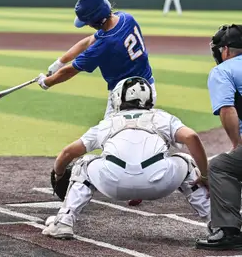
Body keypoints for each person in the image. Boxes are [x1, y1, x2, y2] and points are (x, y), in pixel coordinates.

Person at [42, 76, 210, 239]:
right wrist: (204, 175)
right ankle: (217, 223)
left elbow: (67, 153)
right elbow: (192, 137)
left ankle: (63, 222)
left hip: (113, 185)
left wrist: (59, 173)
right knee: (186, 162)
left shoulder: (107, 123)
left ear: (118, 98)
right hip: (160, 183)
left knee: (83, 164)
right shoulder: (163, 118)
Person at [37, 0, 157, 120]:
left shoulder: (105, 44)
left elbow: (70, 71)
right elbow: (89, 40)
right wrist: (60, 62)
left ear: (96, 22)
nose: (88, 25)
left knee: (108, 136)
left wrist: (46, 82)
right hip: (148, 87)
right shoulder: (125, 17)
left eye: (88, 23)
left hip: (126, 98)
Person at [196, 25, 242, 250]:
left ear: (225, 50)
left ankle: (228, 231)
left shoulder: (223, 71)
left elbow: (227, 109)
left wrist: (236, 144)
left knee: (221, 166)